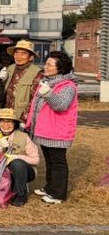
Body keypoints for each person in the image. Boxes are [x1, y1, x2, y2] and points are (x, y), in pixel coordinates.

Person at [25, 50, 78, 204]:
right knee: (49, 160)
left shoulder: (68, 86)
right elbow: (36, 106)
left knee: (58, 162)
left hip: (57, 131)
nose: (45, 67)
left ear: (60, 67)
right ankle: (50, 187)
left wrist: (48, 93)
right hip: (45, 129)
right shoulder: (47, 82)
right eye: (46, 64)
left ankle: (58, 194)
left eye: (49, 64)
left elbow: (61, 105)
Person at [0, 108, 40, 207]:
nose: (5, 125)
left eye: (9, 122)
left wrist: (17, 156)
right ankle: (5, 191)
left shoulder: (24, 137)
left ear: (15, 123)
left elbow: (36, 159)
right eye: (2, 121)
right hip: (3, 171)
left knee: (17, 163)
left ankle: (20, 194)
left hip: (24, 172)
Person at [2, 40, 44, 124]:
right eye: (16, 53)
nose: (18, 56)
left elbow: (35, 99)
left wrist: (24, 119)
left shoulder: (37, 73)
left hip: (22, 117)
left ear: (31, 57)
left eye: (23, 53)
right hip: (6, 114)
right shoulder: (10, 68)